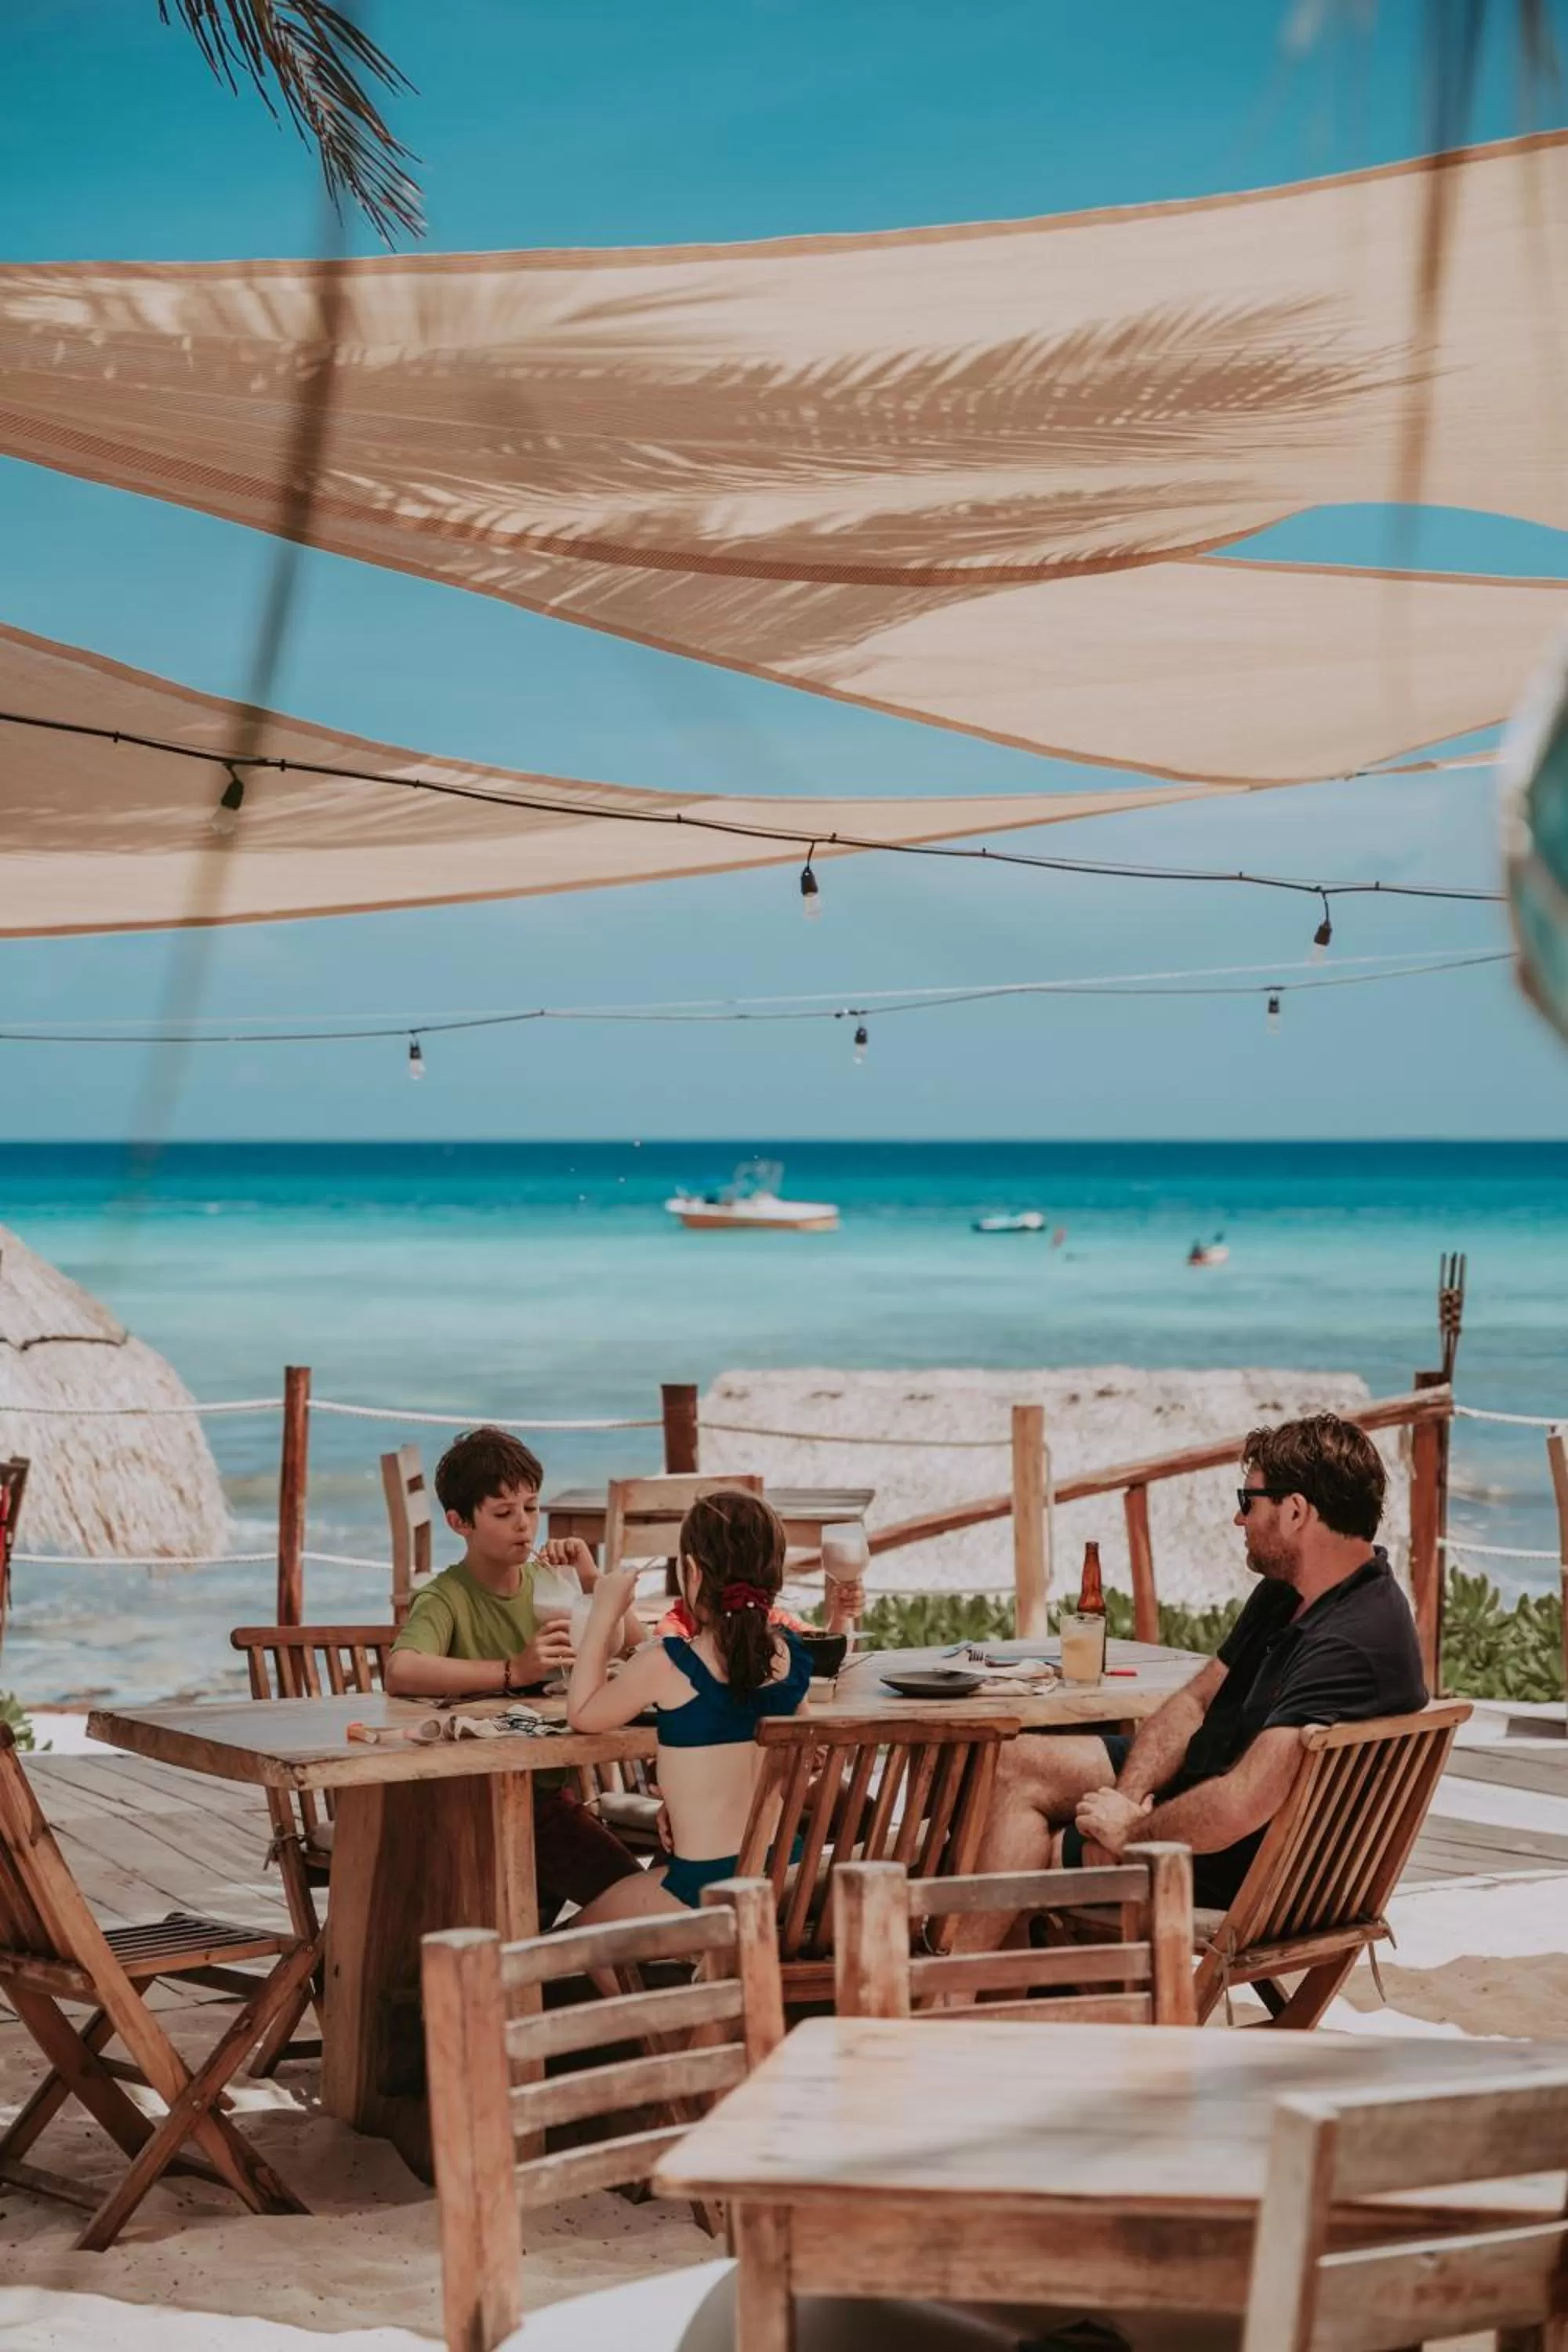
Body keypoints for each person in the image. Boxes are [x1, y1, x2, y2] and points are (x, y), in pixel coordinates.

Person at [955, 1413, 1427, 1940]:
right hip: (1204, 1793)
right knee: (1010, 1763)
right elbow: (1196, 1703)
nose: (1238, 1519)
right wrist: (1128, 1798)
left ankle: (960, 1982)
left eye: (1249, 1501)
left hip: (1236, 1864)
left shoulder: (1350, 1642)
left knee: (1025, 1844)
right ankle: (971, 1975)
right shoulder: (1295, 1591)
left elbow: (1240, 1803)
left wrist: (1133, 1834)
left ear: (1296, 1511)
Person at [385, 1425, 644, 1923]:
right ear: (459, 1522)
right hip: (472, 1807)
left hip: (545, 1795)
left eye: (531, 1507)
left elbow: (636, 1644)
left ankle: (557, 1955)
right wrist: (512, 1670)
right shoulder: (446, 1597)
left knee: (632, 1899)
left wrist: (590, 1575)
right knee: (637, 1901)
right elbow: (402, 1669)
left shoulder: (549, 1580)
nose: (524, 1525)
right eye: (504, 1514)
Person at [565, 1488, 811, 1921]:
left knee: (573, 1939)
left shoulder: (669, 1663)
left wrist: (604, 1609)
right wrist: (682, 1804)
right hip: (783, 1875)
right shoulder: (789, 1656)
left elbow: (582, 1714)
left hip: (703, 1891)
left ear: (692, 1572)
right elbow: (793, 1766)